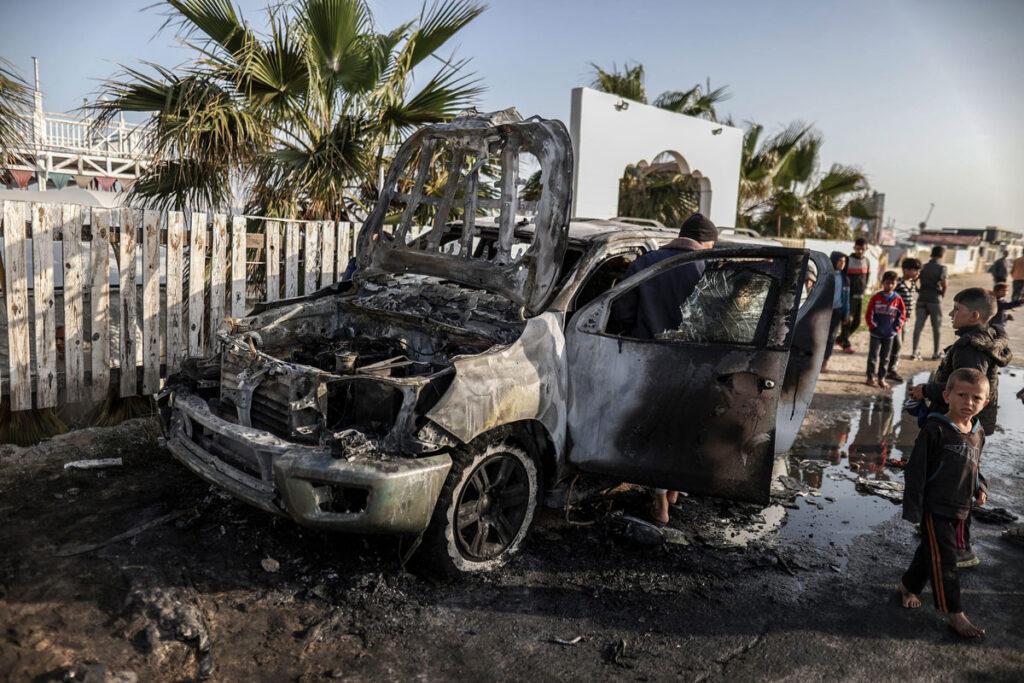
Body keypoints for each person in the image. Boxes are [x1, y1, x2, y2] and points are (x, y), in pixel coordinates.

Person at [611, 212, 718, 525]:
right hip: (694, 363)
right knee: (684, 427)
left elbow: (622, 309)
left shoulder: (647, 263)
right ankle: (674, 490)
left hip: (648, 358)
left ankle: (660, 500)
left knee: (655, 427)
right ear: (707, 242)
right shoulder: (708, 268)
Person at [898, 368, 989, 639]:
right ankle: (955, 613)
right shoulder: (935, 429)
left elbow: (974, 465)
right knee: (946, 559)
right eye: (962, 395)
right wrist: (913, 508)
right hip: (934, 507)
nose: (968, 403)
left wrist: (980, 487)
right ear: (947, 395)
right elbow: (916, 471)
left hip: (960, 508)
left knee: (931, 552)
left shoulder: (977, 431)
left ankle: (907, 586)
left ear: (986, 401)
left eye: (976, 398)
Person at [864, 271, 906, 389]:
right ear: (883, 283)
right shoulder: (876, 297)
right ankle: (870, 377)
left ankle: (881, 378)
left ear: (896, 284)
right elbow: (869, 313)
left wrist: (896, 327)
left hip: (889, 334)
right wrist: (873, 326)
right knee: (873, 355)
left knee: (885, 357)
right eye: (887, 283)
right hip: (876, 333)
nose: (890, 285)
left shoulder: (897, 299)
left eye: (892, 283)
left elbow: (902, 314)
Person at [886, 258, 920, 382]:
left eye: (918, 270)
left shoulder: (912, 283)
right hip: (896, 319)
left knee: (898, 345)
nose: (917, 272)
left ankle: (890, 368)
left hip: (905, 320)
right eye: (914, 270)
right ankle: (891, 370)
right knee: (897, 344)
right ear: (905, 270)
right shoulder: (898, 284)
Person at [912, 246, 948, 360]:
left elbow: (914, 280)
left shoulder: (923, 267)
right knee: (936, 328)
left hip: (922, 298)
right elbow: (944, 284)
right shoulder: (942, 268)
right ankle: (935, 353)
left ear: (931, 254)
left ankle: (914, 351)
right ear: (942, 255)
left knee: (918, 326)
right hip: (934, 300)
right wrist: (942, 294)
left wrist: (918, 290)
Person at [836, 237, 871, 353]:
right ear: (854, 247)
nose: (860, 251)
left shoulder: (867, 261)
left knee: (857, 322)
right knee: (847, 320)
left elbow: (867, 277)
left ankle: (841, 339)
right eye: (858, 248)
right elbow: (842, 277)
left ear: (866, 248)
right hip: (848, 296)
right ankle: (846, 344)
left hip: (860, 296)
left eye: (862, 249)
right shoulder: (848, 260)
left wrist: (864, 289)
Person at [821, 251, 851, 373]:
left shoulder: (845, 279)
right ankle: (814, 361)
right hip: (823, 312)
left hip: (837, 312)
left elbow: (846, 299)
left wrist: (846, 314)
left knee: (831, 338)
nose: (842, 264)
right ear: (833, 261)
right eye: (840, 261)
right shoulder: (826, 275)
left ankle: (824, 363)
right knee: (819, 336)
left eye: (844, 262)